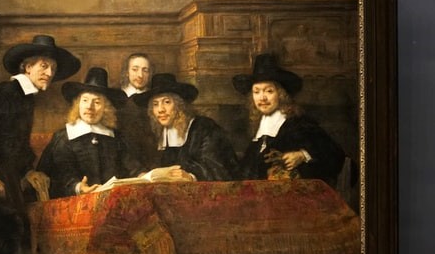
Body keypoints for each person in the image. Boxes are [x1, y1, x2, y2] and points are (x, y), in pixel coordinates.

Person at [0, 34, 81, 254]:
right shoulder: (6, 94)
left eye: (53, 68)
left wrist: (28, 171)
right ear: (27, 67)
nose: (49, 73)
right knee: (12, 225)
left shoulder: (23, 96)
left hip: (6, 174)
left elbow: (15, 144)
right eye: (44, 66)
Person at [232, 53, 346, 185]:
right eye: (256, 92)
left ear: (281, 95)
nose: (262, 98)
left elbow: (334, 154)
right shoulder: (260, 128)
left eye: (269, 91)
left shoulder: (299, 124)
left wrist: (302, 155)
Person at [36, 67, 145, 198]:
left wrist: (143, 175)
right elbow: (60, 175)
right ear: (78, 105)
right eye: (85, 100)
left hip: (113, 200)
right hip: (75, 202)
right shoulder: (64, 137)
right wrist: (78, 187)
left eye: (97, 102)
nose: (89, 107)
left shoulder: (116, 137)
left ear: (106, 108)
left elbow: (132, 166)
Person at [132, 73, 238, 182]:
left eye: (167, 102)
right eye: (155, 104)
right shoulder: (157, 134)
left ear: (179, 105)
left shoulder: (204, 128)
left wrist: (191, 177)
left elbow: (217, 168)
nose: (160, 109)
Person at [115, 52, 158, 166]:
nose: (140, 75)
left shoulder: (156, 100)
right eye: (135, 69)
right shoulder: (116, 98)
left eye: (145, 70)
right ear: (127, 72)